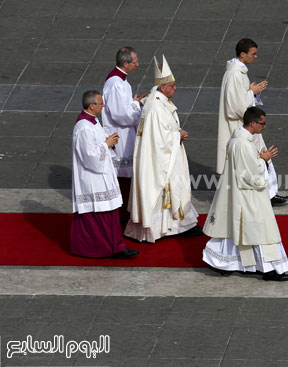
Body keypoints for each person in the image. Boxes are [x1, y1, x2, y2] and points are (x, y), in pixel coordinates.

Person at [203, 107, 288, 281]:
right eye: (262, 123)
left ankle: (220, 263)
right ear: (252, 123)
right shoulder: (243, 145)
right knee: (260, 230)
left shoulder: (239, 140)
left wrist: (259, 159)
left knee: (236, 231)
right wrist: (263, 161)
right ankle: (269, 270)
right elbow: (250, 176)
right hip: (248, 196)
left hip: (239, 194)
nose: (264, 127)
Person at [125, 55, 202, 243]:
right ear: (162, 87)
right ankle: (160, 229)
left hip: (168, 155)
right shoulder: (155, 108)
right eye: (172, 86)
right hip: (160, 159)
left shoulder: (158, 101)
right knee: (164, 191)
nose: (175, 89)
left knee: (173, 189)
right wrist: (178, 136)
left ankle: (179, 226)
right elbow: (158, 140)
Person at [216, 38, 288, 206]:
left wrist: (251, 92)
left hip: (248, 124)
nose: (256, 57)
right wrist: (252, 93)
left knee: (261, 156)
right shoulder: (235, 74)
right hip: (242, 125)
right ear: (243, 54)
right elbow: (235, 106)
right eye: (253, 54)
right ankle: (264, 195)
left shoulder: (239, 72)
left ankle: (269, 193)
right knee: (253, 159)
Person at [70, 90, 139, 259]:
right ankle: (105, 248)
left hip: (102, 174)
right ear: (91, 105)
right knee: (99, 213)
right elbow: (90, 156)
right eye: (101, 103)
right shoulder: (84, 127)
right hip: (93, 176)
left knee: (109, 211)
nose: (103, 106)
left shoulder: (93, 121)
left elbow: (97, 145)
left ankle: (115, 245)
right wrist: (106, 144)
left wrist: (109, 141)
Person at [102, 46, 146, 227]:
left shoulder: (121, 82)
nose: (138, 65)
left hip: (123, 135)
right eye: (135, 62)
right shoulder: (116, 84)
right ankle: (121, 219)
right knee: (123, 178)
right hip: (120, 137)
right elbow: (122, 115)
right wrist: (139, 108)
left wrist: (134, 102)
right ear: (125, 63)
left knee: (126, 177)